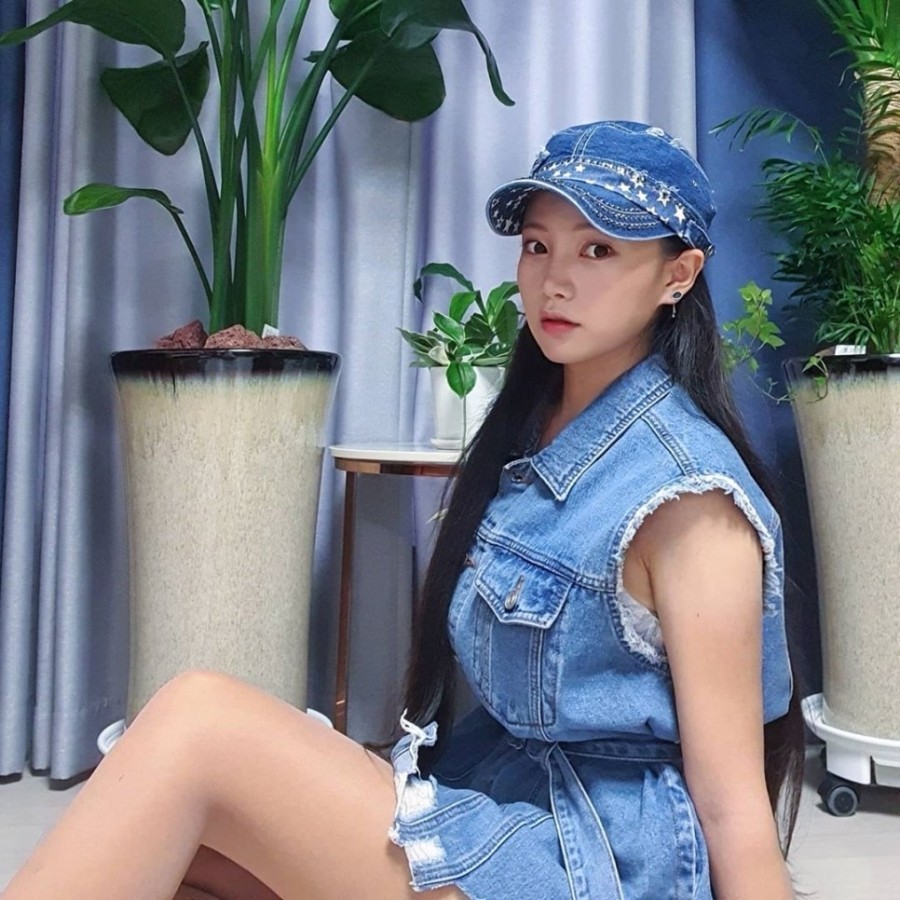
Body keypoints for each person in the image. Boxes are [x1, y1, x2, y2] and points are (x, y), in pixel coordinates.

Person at [4, 121, 804, 900]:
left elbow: (732, 808)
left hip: (589, 865)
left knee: (197, 722)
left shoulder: (689, 499)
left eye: (599, 250)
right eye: (537, 246)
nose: (555, 280)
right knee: (171, 843)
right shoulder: (539, 430)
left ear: (678, 275)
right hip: (495, 806)